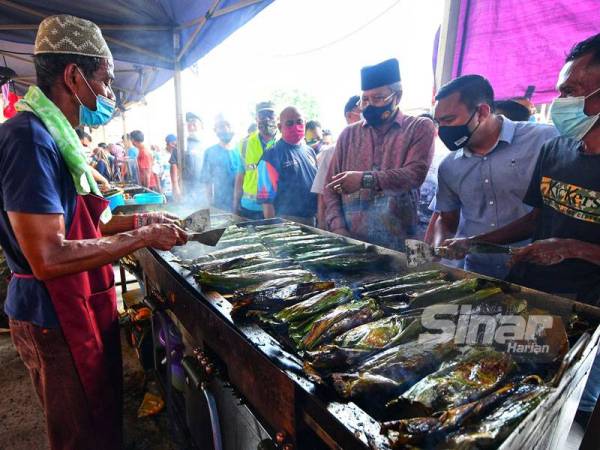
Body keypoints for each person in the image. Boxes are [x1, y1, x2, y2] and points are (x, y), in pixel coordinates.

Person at [0, 15, 187, 450]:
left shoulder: (57, 136)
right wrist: (140, 240)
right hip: (53, 315)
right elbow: (48, 255)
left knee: (97, 424)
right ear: (73, 76)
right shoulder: (27, 139)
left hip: (75, 305)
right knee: (79, 437)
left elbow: (88, 223)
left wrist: (144, 221)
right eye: (105, 81)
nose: (108, 95)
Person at [443, 33, 600, 426]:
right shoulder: (558, 147)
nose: (562, 101)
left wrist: (574, 247)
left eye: (573, 90)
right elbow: (536, 217)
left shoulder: (540, 139)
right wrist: (476, 242)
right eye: (562, 90)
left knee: (571, 403)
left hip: (588, 309)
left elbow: (567, 240)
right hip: (532, 290)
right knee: (514, 388)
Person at [428, 74, 558, 279]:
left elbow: (544, 217)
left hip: (534, 271)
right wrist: (437, 247)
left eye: (449, 120)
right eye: (439, 123)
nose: (443, 130)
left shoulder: (544, 141)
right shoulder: (449, 166)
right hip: (478, 272)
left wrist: (473, 242)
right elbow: (447, 220)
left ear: (482, 111)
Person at [323, 59, 436, 250]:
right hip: (353, 242)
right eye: (365, 100)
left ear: (397, 97)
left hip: (400, 243)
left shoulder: (419, 128)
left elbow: (414, 175)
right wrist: (339, 228)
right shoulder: (348, 135)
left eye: (377, 99)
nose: (368, 106)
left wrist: (364, 180)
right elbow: (330, 188)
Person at [257, 106, 317, 224]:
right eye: (289, 123)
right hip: (286, 222)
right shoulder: (271, 156)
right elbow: (267, 202)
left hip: (312, 220)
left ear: (305, 123)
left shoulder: (309, 151)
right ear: (280, 127)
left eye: (299, 122)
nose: (296, 126)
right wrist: (273, 231)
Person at [311, 95, 363, 228]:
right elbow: (322, 194)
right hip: (342, 229)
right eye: (362, 110)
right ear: (349, 116)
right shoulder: (331, 153)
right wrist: (323, 228)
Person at [233, 101, 278, 219]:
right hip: (249, 209)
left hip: (277, 208)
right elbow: (240, 177)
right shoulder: (245, 144)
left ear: (277, 117)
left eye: (270, 114)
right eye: (262, 115)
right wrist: (235, 204)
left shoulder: (283, 143)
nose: (267, 119)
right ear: (256, 118)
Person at [199, 117, 243, 212]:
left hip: (243, 204)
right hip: (220, 204)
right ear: (215, 130)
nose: (226, 129)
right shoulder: (210, 152)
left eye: (229, 126)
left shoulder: (242, 150)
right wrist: (210, 205)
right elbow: (207, 181)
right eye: (221, 126)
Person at [183, 111, 206, 204]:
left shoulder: (207, 145)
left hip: (203, 188)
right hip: (187, 188)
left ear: (201, 126)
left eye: (194, 124)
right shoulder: (182, 144)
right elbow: (174, 166)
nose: (191, 127)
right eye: (189, 124)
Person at [165, 134, 181, 201]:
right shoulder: (175, 151)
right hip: (170, 185)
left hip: (177, 185)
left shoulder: (176, 150)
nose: (174, 145)